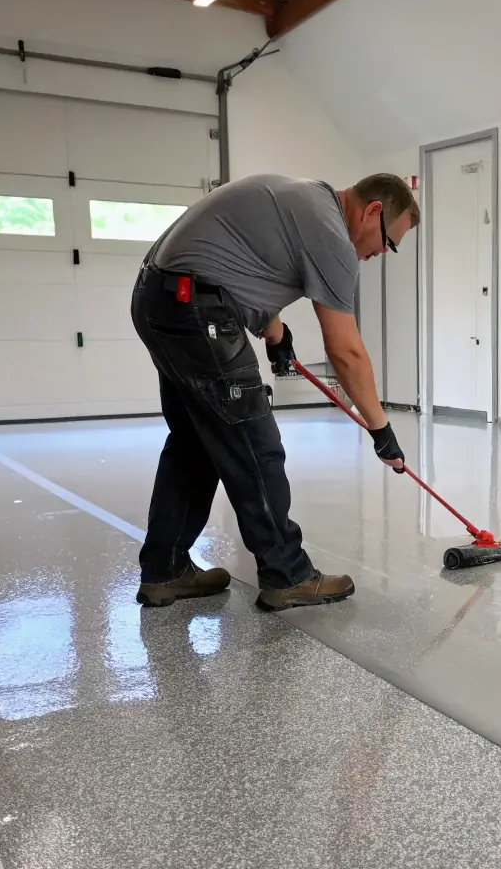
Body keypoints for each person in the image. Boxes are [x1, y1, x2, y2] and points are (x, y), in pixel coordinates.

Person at [130, 172, 419, 612]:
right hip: (195, 308)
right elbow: (346, 352)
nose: (380, 252)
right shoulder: (331, 234)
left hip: (162, 297)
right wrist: (381, 429)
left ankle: (165, 570)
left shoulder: (305, 200)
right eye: (388, 242)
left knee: (195, 443)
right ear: (373, 211)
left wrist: (274, 329)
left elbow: (238, 264)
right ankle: (287, 575)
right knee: (255, 446)